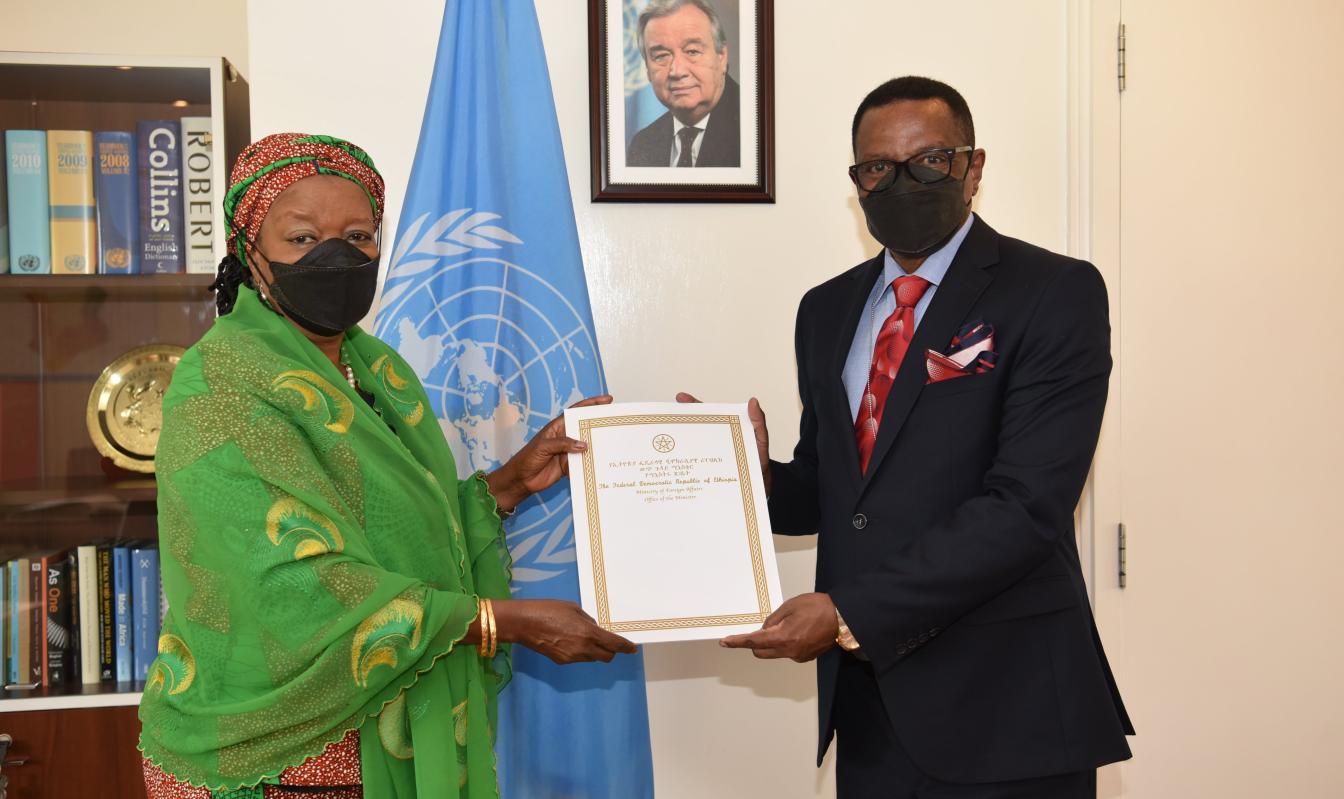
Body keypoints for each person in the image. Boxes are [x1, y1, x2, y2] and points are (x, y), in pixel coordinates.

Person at [137, 133, 636, 798]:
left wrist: (510, 482)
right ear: (247, 250)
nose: (336, 256)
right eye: (302, 238)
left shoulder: (374, 370)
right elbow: (291, 586)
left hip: (383, 727)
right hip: (280, 753)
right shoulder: (221, 386)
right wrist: (499, 620)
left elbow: (394, 526)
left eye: (358, 236)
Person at [705, 77, 1134, 797]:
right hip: (871, 707)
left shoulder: (1053, 291)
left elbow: (1028, 505)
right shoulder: (826, 309)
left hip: (1009, 705)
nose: (903, 182)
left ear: (973, 167)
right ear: (857, 182)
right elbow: (835, 488)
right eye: (879, 167)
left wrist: (848, 612)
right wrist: (751, 476)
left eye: (930, 160)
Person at [626, 0, 740, 167]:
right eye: (661, 56)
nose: (677, 71)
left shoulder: (756, 128)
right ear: (648, 70)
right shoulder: (642, 144)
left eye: (692, 52)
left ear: (721, 57)